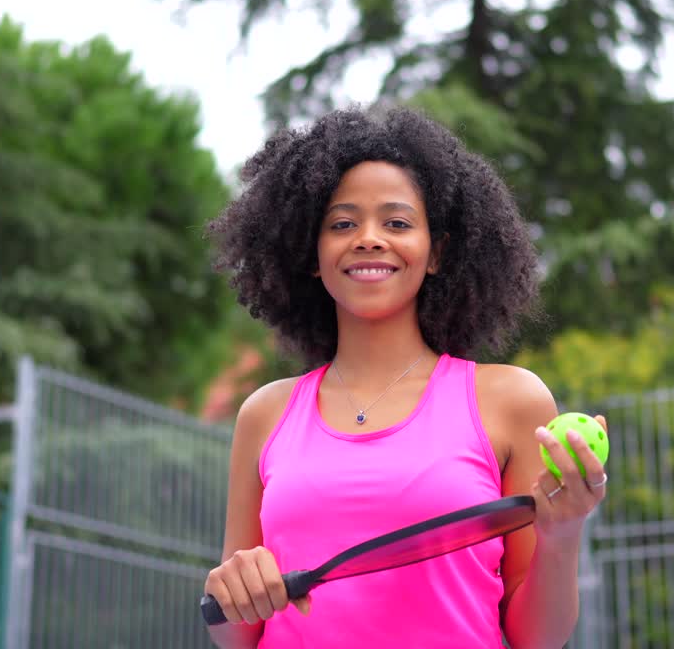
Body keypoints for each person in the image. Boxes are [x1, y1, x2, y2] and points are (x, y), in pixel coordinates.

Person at [202, 104, 608, 648]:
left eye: (397, 222)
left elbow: (539, 639)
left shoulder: (510, 401)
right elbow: (237, 639)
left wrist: (561, 536)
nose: (369, 238)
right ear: (311, 255)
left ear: (435, 252)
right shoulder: (265, 414)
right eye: (342, 224)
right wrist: (232, 592)